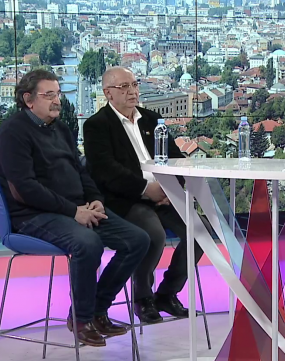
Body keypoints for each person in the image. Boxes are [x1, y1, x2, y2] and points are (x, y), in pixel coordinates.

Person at [0, 69, 150, 348]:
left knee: (137, 240)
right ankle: (81, 318)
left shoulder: (61, 128)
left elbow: (81, 170)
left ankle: (97, 310)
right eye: (49, 95)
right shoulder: (12, 132)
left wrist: (95, 199)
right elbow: (25, 189)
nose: (57, 101)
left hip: (75, 208)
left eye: (58, 94)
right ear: (28, 99)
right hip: (33, 215)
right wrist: (74, 212)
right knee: (87, 244)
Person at [82, 67, 206, 324]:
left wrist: (172, 188)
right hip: (126, 199)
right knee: (153, 234)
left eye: (134, 85)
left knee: (200, 231)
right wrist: (145, 189)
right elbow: (106, 171)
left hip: (163, 194)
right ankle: (143, 298)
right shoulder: (97, 125)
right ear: (108, 93)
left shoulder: (152, 119)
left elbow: (175, 158)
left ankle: (167, 293)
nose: (132, 91)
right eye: (124, 87)